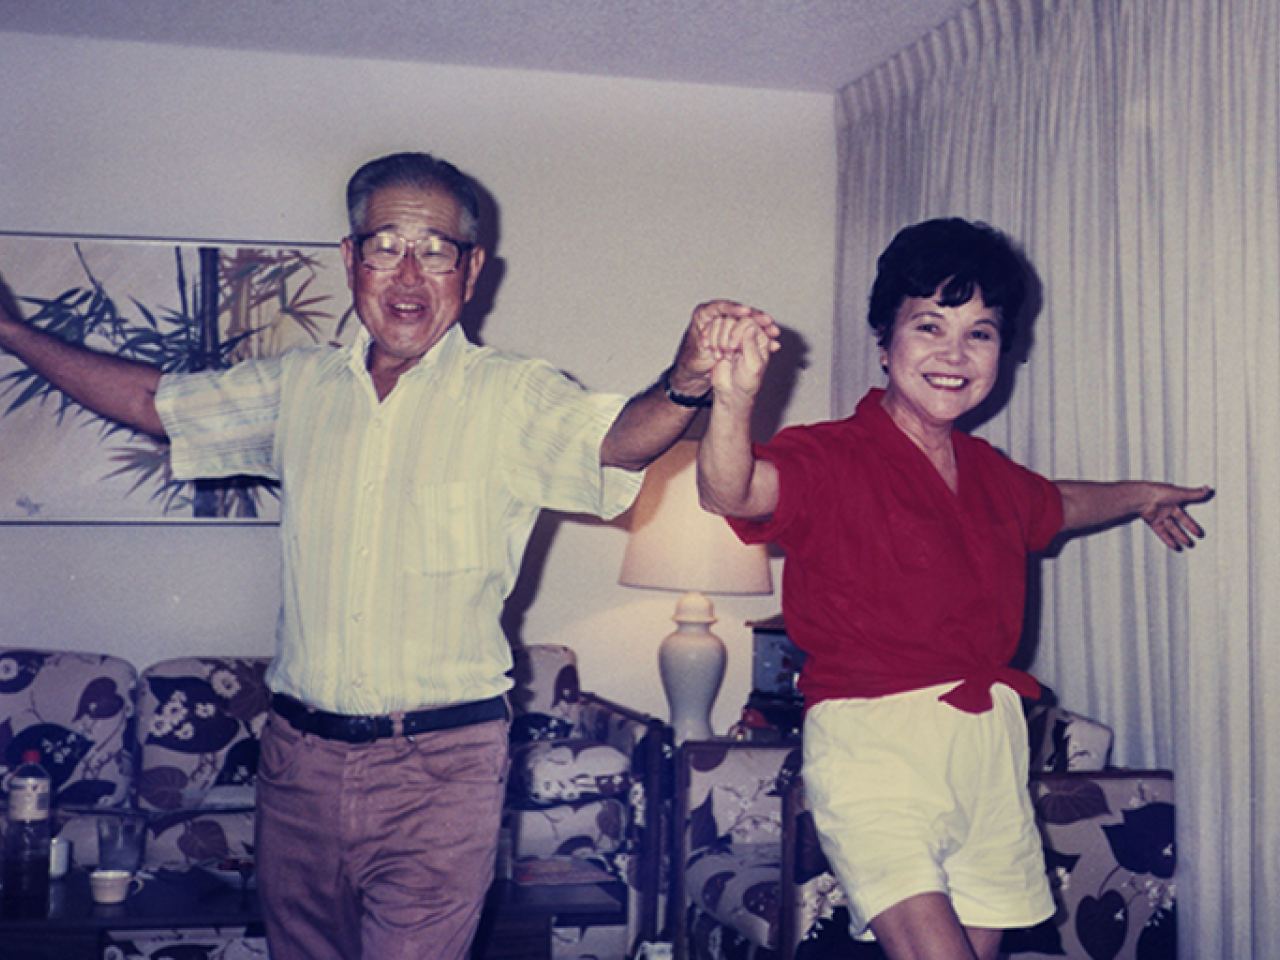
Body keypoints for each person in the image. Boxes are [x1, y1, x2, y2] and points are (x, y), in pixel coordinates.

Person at [0, 151, 779, 960]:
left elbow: (618, 443)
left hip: (441, 771)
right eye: (385, 245)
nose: (410, 273)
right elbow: (152, 401)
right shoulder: (295, 390)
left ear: (471, 270)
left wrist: (687, 379)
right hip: (297, 765)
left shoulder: (511, 395)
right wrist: (13, 333)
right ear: (350, 259)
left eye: (436, 249)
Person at [695, 217, 1210, 960]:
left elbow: (1059, 505)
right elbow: (733, 491)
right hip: (875, 748)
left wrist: (1140, 495)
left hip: (990, 749)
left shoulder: (990, 471)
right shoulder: (832, 455)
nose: (953, 353)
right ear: (885, 339)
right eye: (929, 325)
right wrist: (733, 402)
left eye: (981, 333)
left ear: (1003, 351)